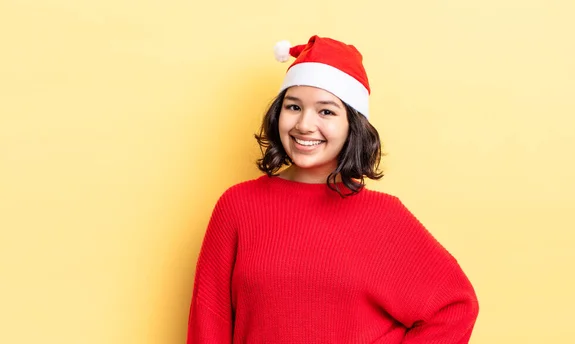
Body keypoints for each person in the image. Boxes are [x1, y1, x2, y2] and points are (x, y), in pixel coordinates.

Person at [186, 35, 479, 343]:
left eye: (326, 111)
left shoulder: (384, 216)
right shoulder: (238, 206)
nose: (304, 124)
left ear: (353, 124)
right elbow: (209, 324)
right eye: (293, 106)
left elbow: (454, 306)